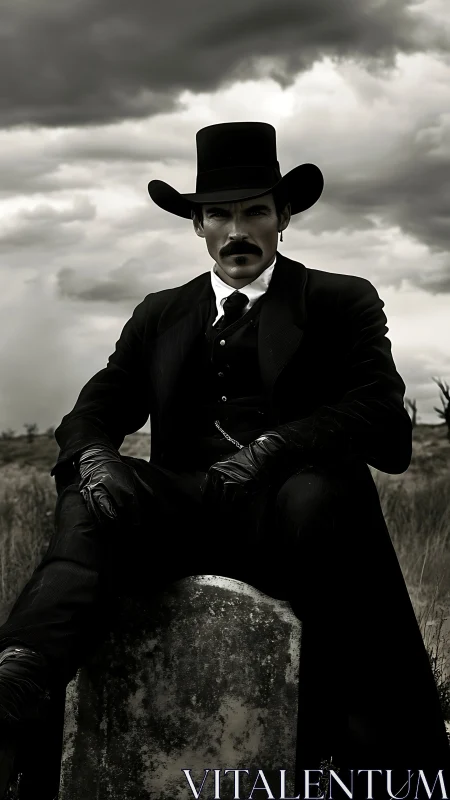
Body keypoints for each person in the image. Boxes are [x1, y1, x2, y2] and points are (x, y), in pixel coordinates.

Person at [0, 122, 448, 798]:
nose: (236, 230)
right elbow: (94, 412)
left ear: (283, 218)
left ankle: (353, 747)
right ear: (198, 225)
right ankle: (21, 678)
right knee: (90, 496)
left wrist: (273, 448)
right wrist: (92, 458)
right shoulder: (160, 313)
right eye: (219, 214)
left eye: (254, 212)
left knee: (319, 493)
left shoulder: (337, 300)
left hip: (295, 526)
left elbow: (385, 423)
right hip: (188, 517)